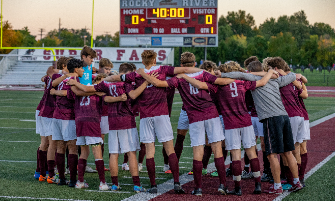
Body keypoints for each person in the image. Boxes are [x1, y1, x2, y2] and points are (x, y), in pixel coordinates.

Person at [101, 50, 205, 194]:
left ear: (143, 61)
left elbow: (115, 78)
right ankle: (176, 182)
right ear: (155, 60)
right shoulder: (163, 69)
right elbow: (186, 69)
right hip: (161, 114)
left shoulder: (137, 74)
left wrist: (103, 79)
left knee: (150, 151)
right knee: (170, 149)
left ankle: (153, 185)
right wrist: (204, 70)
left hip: (145, 116)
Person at [136, 52, 234, 196]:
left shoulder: (178, 79)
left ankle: (198, 188)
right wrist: (237, 79)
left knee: (197, 152)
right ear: (195, 64)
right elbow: (221, 82)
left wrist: (142, 74)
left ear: (181, 65)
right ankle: (222, 185)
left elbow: (158, 83)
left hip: (194, 117)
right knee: (217, 149)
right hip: (211, 114)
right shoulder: (203, 74)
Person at [218, 60, 304, 194]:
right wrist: (271, 73)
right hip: (284, 116)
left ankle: (277, 186)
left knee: (272, 154)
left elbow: (237, 75)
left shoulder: (253, 77)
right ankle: (297, 182)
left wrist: (220, 74)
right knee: (288, 152)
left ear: (251, 70)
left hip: (271, 118)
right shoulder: (275, 79)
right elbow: (293, 75)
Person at [50, 59, 83, 187]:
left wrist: (55, 92)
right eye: (81, 68)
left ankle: (62, 179)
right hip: (68, 116)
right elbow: (70, 93)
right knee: (72, 147)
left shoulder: (61, 79)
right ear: (76, 69)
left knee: (60, 147)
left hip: (56, 116)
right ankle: (73, 180)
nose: (82, 70)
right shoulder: (75, 80)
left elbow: (53, 86)